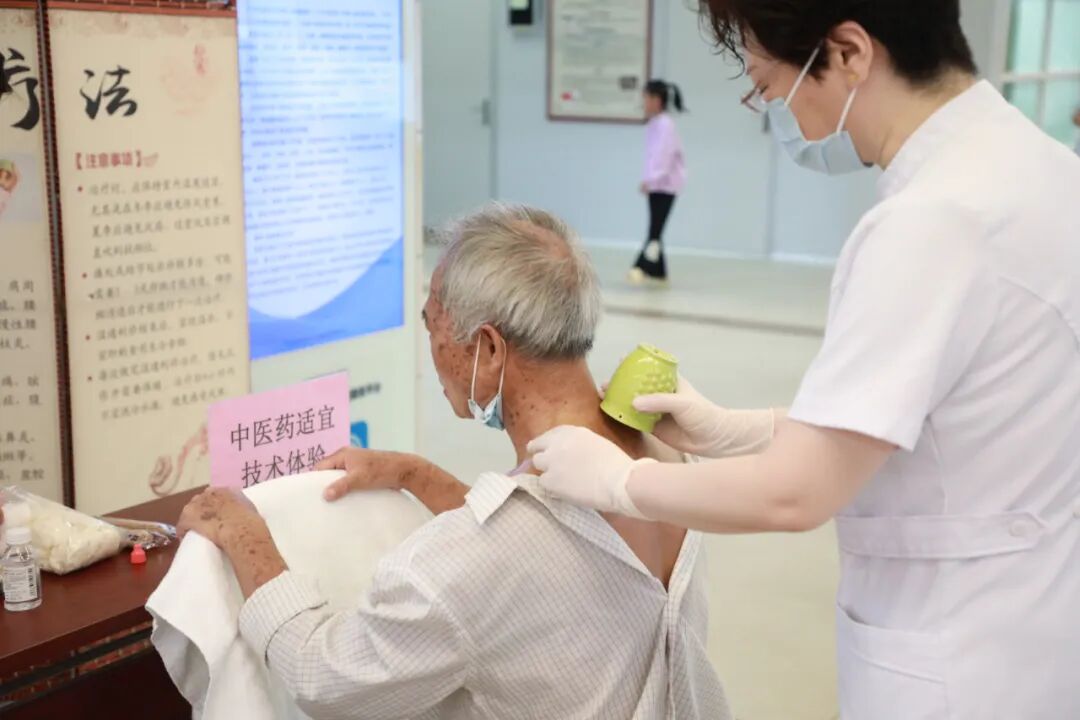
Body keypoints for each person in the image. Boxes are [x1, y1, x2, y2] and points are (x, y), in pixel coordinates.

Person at [528, 2, 1080, 719]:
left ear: (848, 52)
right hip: (1033, 621)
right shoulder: (1039, 167)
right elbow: (945, 414)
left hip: (956, 657)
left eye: (768, 84)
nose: (774, 111)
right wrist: (741, 429)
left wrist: (620, 480)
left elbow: (795, 495)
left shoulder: (931, 223)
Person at [177, 203, 732, 719]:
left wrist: (245, 536)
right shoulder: (664, 454)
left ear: (488, 350)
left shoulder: (463, 562)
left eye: (432, 326)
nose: (432, 349)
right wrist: (413, 472)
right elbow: (550, 547)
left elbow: (323, 675)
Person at [629, 80, 687, 286]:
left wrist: (651, 179)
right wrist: (650, 180)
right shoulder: (655, 123)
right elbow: (653, 156)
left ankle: (640, 266)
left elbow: (664, 156)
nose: (643, 102)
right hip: (658, 184)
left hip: (666, 184)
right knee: (656, 226)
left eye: (646, 98)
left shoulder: (665, 124)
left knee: (655, 229)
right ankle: (659, 272)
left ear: (657, 100)